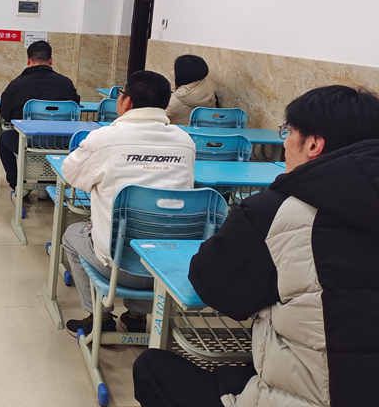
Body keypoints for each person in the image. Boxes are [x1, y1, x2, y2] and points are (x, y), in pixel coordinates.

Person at [133, 85, 379, 407]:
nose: (285, 143)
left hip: (315, 396)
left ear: (313, 144)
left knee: (152, 368)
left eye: (289, 132)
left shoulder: (275, 213)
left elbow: (213, 287)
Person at [61, 70, 195, 335]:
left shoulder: (104, 139)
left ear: (127, 101)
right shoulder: (185, 142)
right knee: (153, 228)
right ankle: (136, 316)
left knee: (72, 235)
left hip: (118, 266)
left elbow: (71, 175)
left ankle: (99, 315)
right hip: (168, 266)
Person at [0, 40, 80, 197]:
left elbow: (5, 114)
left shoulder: (17, 85)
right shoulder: (66, 84)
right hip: (62, 143)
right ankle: (49, 184)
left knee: (4, 139)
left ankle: (18, 185)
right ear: (51, 60)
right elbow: (76, 108)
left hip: (28, 142)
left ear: (29, 61)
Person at [165, 54, 217, 125]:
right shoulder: (208, 87)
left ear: (182, 74)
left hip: (181, 130)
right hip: (204, 129)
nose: (172, 71)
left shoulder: (175, 101)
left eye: (174, 69)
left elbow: (159, 118)